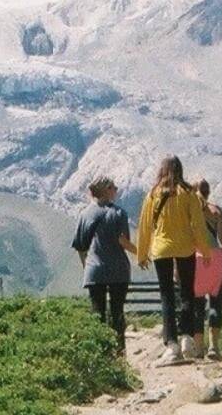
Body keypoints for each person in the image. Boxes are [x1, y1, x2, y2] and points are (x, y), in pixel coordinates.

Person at [135, 155, 212, 365]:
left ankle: (171, 344)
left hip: (161, 249)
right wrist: (205, 251)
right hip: (186, 248)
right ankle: (187, 337)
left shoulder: (153, 194)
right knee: (187, 292)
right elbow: (198, 225)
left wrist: (142, 253)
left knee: (166, 295)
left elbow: (144, 226)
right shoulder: (189, 194)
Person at [72, 176, 136, 354]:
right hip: (118, 269)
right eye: (114, 187)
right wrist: (141, 253)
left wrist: (87, 267)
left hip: (94, 270)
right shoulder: (118, 213)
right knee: (117, 313)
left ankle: (101, 353)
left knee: (98, 313)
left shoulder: (85, 214)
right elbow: (123, 241)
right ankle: (119, 353)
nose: (116, 190)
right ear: (107, 190)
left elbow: (80, 247)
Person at [190, 179, 222, 361]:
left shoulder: (189, 211)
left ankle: (197, 349)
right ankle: (214, 347)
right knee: (216, 304)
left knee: (197, 306)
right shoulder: (216, 210)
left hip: (196, 259)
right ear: (208, 192)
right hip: (217, 259)